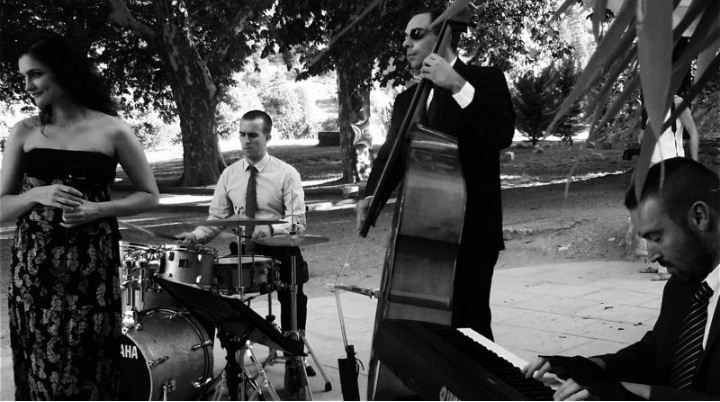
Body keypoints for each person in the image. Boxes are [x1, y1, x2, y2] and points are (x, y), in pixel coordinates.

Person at [0, 32, 160, 400]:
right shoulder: (23, 132)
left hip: (92, 270)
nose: (28, 86)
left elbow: (149, 194)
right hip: (36, 271)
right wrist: (38, 193)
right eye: (24, 77)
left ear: (63, 71)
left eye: (36, 74)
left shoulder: (112, 129)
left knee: (92, 362)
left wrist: (96, 210)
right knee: (44, 366)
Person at [356, 7, 515, 339]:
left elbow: (500, 134)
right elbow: (391, 158)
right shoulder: (406, 100)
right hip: (419, 235)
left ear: (443, 36)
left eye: (416, 35)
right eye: (404, 37)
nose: (405, 44)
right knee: (426, 330)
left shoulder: (485, 80)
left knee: (470, 328)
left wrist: (457, 84)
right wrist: (370, 198)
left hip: (471, 234)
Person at [522, 158, 720, 400]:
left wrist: (638, 394)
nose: (651, 254)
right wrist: (590, 367)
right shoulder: (683, 285)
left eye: (656, 236)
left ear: (699, 217)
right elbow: (653, 353)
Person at [175, 110, 309, 337]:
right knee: (216, 296)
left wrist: (270, 229)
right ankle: (234, 351)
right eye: (242, 135)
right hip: (242, 253)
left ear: (268, 137)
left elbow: (297, 220)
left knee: (294, 294)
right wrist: (196, 236)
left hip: (281, 249)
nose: (246, 140)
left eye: (253, 135)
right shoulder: (228, 175)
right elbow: (217, 219)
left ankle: (293, 350)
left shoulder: (287, 174)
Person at [635, 95, 700, 280]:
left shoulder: (677, 103)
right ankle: (657, 264)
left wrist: (694, 165)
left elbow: (693, 132)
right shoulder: (651, 102)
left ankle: (668, 268)